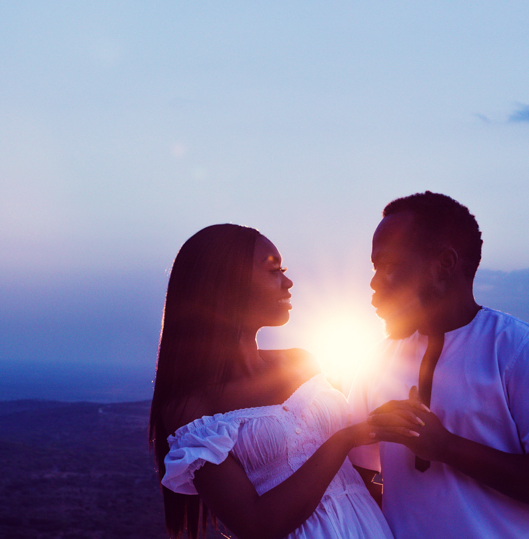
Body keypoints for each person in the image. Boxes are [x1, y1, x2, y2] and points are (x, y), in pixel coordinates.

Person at [348, 192, 529, 539]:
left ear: (444, 265)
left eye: (390, 266)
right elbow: (358, 476)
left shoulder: (521, 349)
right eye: (375, 268)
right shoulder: (377, 362)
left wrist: (447, 447)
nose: (375, 283)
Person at [150, 224, 392, 539]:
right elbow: (257, 526)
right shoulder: (191, 408)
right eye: (274, 270)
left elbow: (351, 477)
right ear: (225, 284)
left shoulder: (301, 362)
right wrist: (345, 439)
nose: (288, 283)